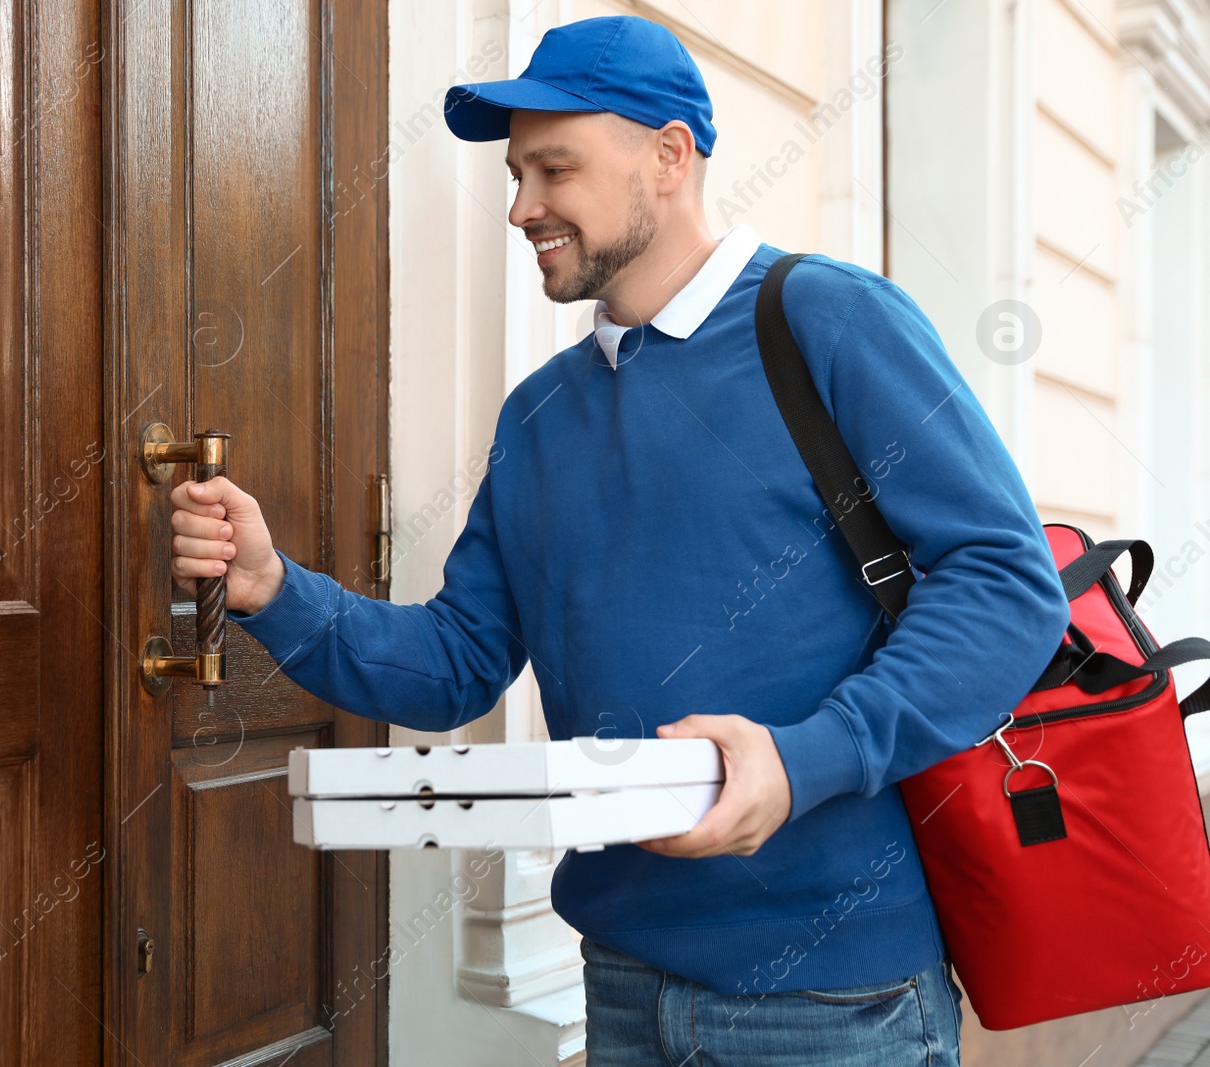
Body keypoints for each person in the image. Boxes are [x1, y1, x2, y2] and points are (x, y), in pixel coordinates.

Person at [167, 14, 1070, 1065]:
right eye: (516, 173)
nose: (521, 206)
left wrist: (796, 760)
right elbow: (457, 663)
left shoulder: (828, 321)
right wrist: (276, 588)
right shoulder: (539, 413)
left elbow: (1007, 582)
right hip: (624, 977)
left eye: (555, 167)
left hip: (832, 994)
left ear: (668, 153)